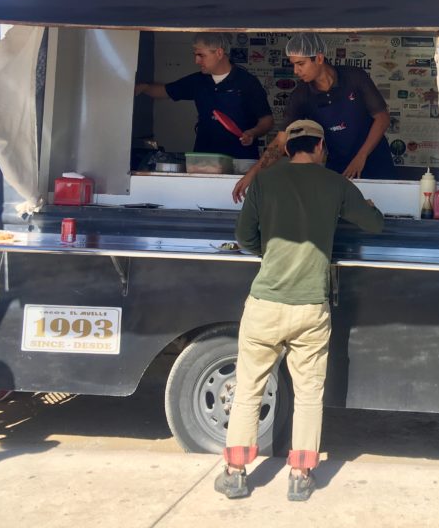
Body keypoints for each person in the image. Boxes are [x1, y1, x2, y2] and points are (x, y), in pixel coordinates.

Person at [215, 119, 384, 501]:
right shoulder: (337, 184)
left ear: (290, 148)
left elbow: (244, 238)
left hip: (265, 305)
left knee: (249, 389)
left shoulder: (265, 180)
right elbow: (374, 225)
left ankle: (236, 471)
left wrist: (271, 254)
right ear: (321, 145)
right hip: (310, 306)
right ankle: (301, 474)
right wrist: (368, 206)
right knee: (309, 394)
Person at [232, 32, 395, 202]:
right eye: (293, 65)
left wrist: (361, 157)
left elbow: (382, 118)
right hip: (338, 169)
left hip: (376, 161)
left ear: (318, 58)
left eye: (301, 64)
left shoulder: (355, 77)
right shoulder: (301, 95)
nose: (296, 71)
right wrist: (252, 174)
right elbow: (280, 142)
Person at [135, 32, 273, 159]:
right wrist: (141, 88)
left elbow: (267, 120)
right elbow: (165, 91)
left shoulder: (247, 82)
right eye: (195, 55)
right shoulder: (198, 81)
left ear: (219, 53)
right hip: (204, 157)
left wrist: (252, 133)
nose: (196, 61)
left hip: (240, 159)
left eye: (201, 55)